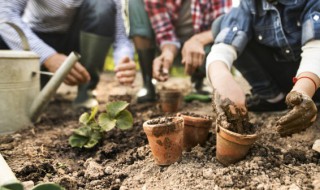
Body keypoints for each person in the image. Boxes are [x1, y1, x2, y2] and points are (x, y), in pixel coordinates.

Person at [207, 0, 320, 136]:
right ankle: (273, 98)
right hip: (284, 76)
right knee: (220, 25)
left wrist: (303, 90)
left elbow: (316, 48)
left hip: (313, 79)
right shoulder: (249, 4)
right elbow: (224, 46)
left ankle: (311, 100)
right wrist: (221, 77)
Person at [0, 0, 136, 109]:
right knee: (29, 100)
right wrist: (48, 56)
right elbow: (4, 15)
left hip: (77, 40)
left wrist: (124, 60)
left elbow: (121, 37)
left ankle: (86, 90)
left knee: (103, 4)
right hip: (38, 38)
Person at [127, 0, 232, 103]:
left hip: (202, 49)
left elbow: (226, 25)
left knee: (223, 40)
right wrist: (168, 52)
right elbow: (164, 33)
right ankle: (147, 82)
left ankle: (198, 81)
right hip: (167, 48)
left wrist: (198, 41)